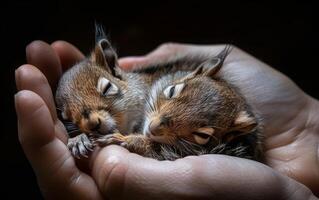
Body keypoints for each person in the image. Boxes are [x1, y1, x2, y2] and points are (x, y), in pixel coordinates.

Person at [14, 40, 319, 199]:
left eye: (106, 89)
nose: (92, 121)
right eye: (70, 119)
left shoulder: (154, 89)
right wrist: (78, 138)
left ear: (114, 68)